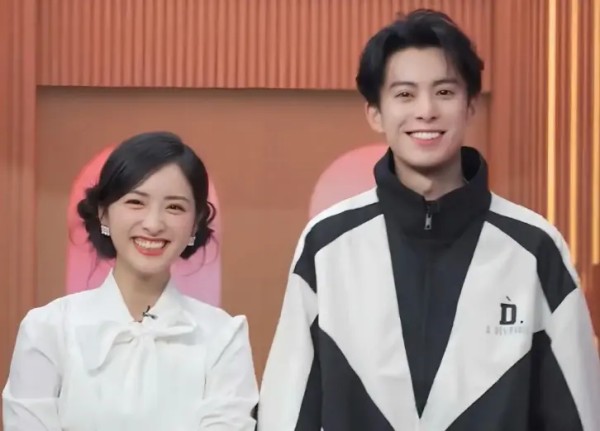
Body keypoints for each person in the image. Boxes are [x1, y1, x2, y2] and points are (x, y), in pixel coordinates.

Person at [257, 9, 600, 431]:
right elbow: (286, 411)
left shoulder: (535, 249)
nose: (426, 111)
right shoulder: (327, 245)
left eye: (444, 92)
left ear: (470, 106)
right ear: (375, 113)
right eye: (404, 94)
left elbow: (579, 414)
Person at [3, 132, 259, 430]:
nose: (153, 224)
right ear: (104, 214)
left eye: (174, 207)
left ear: (195, 224)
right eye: (136, 202)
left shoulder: (223, 337)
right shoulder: (47, 329)